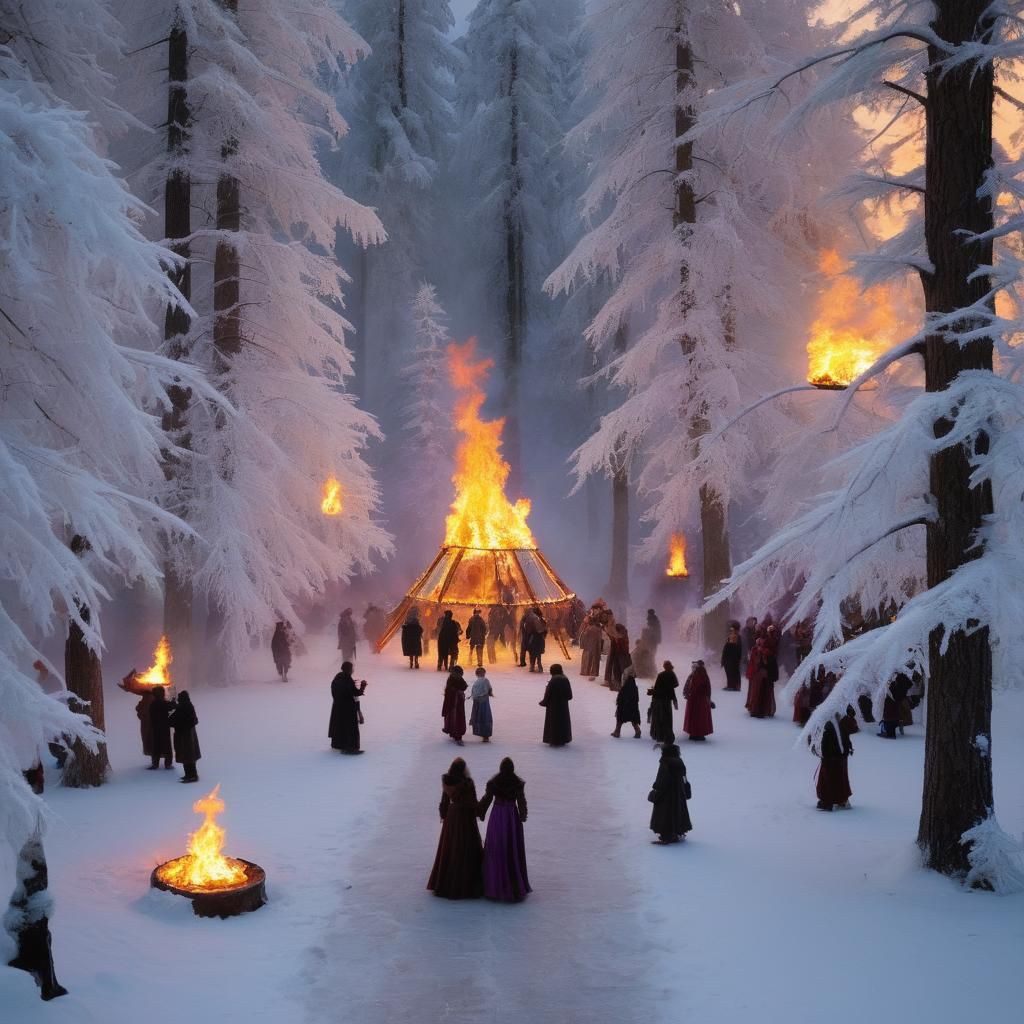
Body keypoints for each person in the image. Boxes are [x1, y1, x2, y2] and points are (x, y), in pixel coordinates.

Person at [427, 757, 483, 900]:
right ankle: (467, 883)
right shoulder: (468, 783)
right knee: (465, 846)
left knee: (450, 846)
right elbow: (472, 802)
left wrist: (444, 815)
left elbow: (444, 801)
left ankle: (447, 880)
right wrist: (478, 811)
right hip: (465, 818)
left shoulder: (447, 781)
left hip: (452, 817)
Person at [478, 758, 531, 902]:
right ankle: (512, 884)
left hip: (497, 816)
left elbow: (487, 799)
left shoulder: (494, 783)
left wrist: (480, 811)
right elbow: (521, 801)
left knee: (496, 848)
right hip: (511, 818)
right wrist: (522, 815)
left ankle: (494, 885)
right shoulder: (517, 783)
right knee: (510, 848)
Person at [648, 733, 692, 844]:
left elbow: (661, 779)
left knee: (665, 813)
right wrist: (686, 790)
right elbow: (684, 778)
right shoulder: (679, 760)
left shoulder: (665, 762)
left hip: (667, 794)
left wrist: (656, 791)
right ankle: (677, 832)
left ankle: (667, 835)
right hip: (679, 793)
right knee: (677, 811)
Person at [814, 715, 854, 811]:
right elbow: (847, 737)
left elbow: (823, 742)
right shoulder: (842, 721)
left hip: (830, 757)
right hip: (841, 756)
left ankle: (828, 801)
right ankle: (843, 800)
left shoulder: (827, 724)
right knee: (841, 778)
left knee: (829, 779)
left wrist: (821, 753)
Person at [329, 662, 367, 755]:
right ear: (347, 669)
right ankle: (350, 747)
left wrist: (362, 687)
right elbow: (353, 693)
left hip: (338, 707)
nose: (352, 670)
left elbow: (346, 692)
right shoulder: (346, 679)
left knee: (340, 726)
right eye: (351, 668)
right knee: (350, 727)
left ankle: (339, 744)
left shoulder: (338, 677)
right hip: (347, 708)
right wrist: (362, 688)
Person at [169, 690, 201, 783]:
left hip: (184, 736)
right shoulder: (187, 706)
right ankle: (190, 775)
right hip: (187, 735)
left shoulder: (184, 707)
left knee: (186, 755)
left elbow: (173, 719)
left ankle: (191, 776)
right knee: (188, 755)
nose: (178, 700)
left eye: (180, 698)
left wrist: (177, 723)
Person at [540, 664, 573, 746]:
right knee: (563, 722)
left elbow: (548, 694)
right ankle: (564, 739)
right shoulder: (565, 678)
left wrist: (544, 702)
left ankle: (554, 740)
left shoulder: (553, 680)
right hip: (563, 706)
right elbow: (570, 696)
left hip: (553, 707)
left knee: (553, 723)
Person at [682, 660, 714, 741]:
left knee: (694, 716)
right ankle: (700, 733)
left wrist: (688, 694)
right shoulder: (703, 675)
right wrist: (708, 699)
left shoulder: (694, 676)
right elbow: (708, 689)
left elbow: (689, 687)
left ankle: (693, 733)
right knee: (701, 717)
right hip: (701, 700)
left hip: (694, 700)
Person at [745, 638, 776, 718]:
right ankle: (758, 709)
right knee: (757, 692)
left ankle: (760, 710)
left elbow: (766, 663)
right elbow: (753, 662)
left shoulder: (766, 651)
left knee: (760, 692)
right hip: (758, 675)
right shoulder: (756, 650)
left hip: (762, 675)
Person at [648, 661, 679, 743]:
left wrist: (652, 692)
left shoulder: (661, 675)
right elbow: (675, 685)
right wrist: (674, 698)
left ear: (664, 666)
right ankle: (667, 735)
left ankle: (660, 735)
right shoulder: (672, 674)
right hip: (667, 700)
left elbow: (657, 688)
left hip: (660, 700)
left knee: (660, 718)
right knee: (667, 718)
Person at [880, 672, 913, 738]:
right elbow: (910, 684)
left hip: (894, 698)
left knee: (889, 714)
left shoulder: (897, 677)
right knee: (894, 714)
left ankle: (890, 733)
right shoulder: (900, 677)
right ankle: (891, 732)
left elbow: (908, 684)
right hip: (898, 698)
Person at [147, 686, 173, 770]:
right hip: (164, 727)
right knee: (167, 746)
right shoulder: (164, 703)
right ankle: (168, 764)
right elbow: (172, 706)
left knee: (156, 746)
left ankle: (155, 763)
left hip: (155, 728)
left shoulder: (153, 704)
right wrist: (173, 702)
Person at [612, 665, 642, 738]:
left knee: (620, 718)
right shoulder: (633, 684)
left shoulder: (628, 683)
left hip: (625, 705)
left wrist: (620, 701)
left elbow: (623, 694)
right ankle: (637, 731)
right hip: (632, 705)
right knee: (633, 719)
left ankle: (617, 732)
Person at [442, 666, 468, 745]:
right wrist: (457, 690)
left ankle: (457, 735)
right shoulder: (450, 680)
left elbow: (464, 686)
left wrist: (459, 691)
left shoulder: (458, 679)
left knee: (457, 718)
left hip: (458, 704)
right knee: (453, 718)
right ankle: (454, 733)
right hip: (452, 703)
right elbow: (449, 690)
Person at [603, 622, 631, 690]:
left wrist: (617, 639)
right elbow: (612, 638)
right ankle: (617, 685)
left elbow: (623, 646)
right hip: (617, 654)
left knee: (622, 670)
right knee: (616, 670)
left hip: (622, 655)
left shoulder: (622, 636)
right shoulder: (618, 636)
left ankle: (624, 686)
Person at [469, 667, 494, 742]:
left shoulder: (476, 682)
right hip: (484, 702)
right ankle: (485, 735)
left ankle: (480, 732)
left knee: (478, 716)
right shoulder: (485, 680)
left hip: (477, 702)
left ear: (476, 674)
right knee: (485, 717)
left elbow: (473, 692)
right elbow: (489, 689)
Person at [135, 689, 155, 764]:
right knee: (154, 741)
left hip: (147, 725)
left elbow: (140, 711)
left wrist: (141, 716)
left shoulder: (145, 701)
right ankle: (155, 760)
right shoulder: (154, 699)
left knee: (149, 741)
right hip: (154, 725)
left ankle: (154, 761)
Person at [721, 625, 743, 691]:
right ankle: (730, 685)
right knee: (729, 672)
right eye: (731, 630)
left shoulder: (738, 638)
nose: (732, 631)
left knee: (733, 672)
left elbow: (737, 649)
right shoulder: (730, 637)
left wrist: (737, 659)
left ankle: (735, 686)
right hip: (728, 658)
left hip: (733, 659)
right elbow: (727, 647)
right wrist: (723, 660)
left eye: (733, 629)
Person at [527, 607, 547, 673]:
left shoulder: (532, 618)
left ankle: (533, 666)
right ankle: (538, 666)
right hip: (539, 638)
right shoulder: (540, 619)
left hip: (534, 637)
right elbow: (544, 629)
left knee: (533, 652)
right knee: (538, 653)